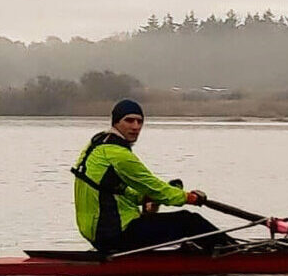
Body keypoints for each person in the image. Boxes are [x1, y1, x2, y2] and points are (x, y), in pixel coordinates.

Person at [69, 99, 241, 255]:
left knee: (177, 227)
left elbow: (117, 191)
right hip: (114, 233)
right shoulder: (118, 154)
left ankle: (215, 249)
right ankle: (236, 254)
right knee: (189, 221)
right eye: (129, 121)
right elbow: (154, 187)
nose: (135, 126)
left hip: (98, 233)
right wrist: (189, 197)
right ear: (116, 122)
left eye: (140, 121)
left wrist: (143, 198)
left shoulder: (97, 145)